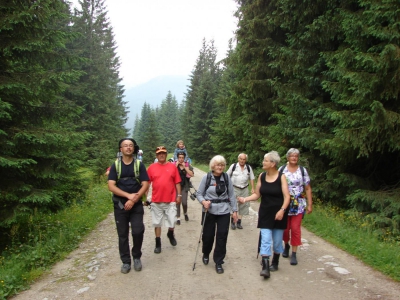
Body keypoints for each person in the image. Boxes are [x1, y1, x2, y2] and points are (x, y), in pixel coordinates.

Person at [238, 151, 290, 278]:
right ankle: (265, 266)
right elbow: (257, 194)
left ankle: (275, 261)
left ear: (273, 163)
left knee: (277, 242)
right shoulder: (261, 176)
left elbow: (287, 196)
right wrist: (245, 199)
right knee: (266, 239)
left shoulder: (281, 177)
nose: (263, 162)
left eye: (265, 160)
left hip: (279, 213)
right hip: (265, 213)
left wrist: (282, 210)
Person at [108, 138, 149, 274]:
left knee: (138, 231)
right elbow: (111, 186)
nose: (128, 148)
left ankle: (136, 256)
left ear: (134, 148)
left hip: (136, 205)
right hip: (120, 205)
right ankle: (126, 261)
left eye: (131, 145)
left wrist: (134, 198)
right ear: (121, 149)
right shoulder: (116, 166)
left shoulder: (139, 165)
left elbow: (145, 183)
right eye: (125, 146)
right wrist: (128, 196)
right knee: (123, 234)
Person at [196, 155, 238, 274]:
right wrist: (204, 202)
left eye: (222, 165)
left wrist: (234, 211)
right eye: (218, 165)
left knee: (222, 236)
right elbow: (199, 194)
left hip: (224, 211)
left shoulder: (226, 178)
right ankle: (206, 252)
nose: (220, 167)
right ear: (213, 166)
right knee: (208, 236)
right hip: (209, 210)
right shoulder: (207, 177)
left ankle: (219, 261)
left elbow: (231, 195)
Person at [280, 148, 313, 266]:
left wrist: (310, 204)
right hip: (285, 203)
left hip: (298, 204)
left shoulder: (302, 171)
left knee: (295, 228)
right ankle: (286, 245)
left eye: (296, 156)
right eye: (292, 156)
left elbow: (308, 187)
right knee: (285, 228)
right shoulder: (282, 170)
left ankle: (294, 253)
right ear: (288, 157)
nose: (294, 158)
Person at [147, 146, 182, 254]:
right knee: (157, 223)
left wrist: (179, 195)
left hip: (171, 199)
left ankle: (170, 233)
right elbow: (147, 184)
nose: (161, 155)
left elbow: (177, 182)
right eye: (159, 153)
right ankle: (158, 243)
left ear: (166, 155)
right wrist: (145, 198)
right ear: (156, 155)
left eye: (163, 153)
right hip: (156, 200)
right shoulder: (151, 168)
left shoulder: (172, 167)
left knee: (172, 221)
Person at [226, 153, 255, 229]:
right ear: (238, 159)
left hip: (244, 189)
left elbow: (251, 178)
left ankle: (239, 222)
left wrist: (252, 188)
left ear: (246, 160)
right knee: (233, 205)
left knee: (243, 206)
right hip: (234, 188)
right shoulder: (233, 166)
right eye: (241, 159)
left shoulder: (248, 168)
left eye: (244, 159)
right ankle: (233, 222)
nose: (242, 161)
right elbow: (227, 175)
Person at [175, 151, 194, 225]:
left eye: (182, 157)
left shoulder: (187, 165)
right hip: (176, 186)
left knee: (184, 202)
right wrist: (175, 166)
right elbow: (170, 174)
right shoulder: (174, 165)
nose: (181, 159)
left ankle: (185, 213)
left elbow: (192, 174)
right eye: (179, 157)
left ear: (184, 158)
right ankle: (178, 218)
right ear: (177, 158)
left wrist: (185, 168)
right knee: (178, 202)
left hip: (185, 186)